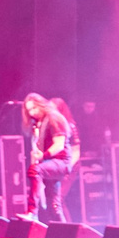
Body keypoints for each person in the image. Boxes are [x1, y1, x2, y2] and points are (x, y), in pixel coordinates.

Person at [22, 95, 79, 223]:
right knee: (53, 206)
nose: (32, 113)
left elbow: (59, 145)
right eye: (29, 111)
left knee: (35, 171)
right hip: (50, 163)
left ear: (41, 105)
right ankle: (65, 235)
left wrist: (43, 157)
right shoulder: (40, 123)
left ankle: (32, 212)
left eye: (33, 109)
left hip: (61, 162)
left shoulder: (54, 118)